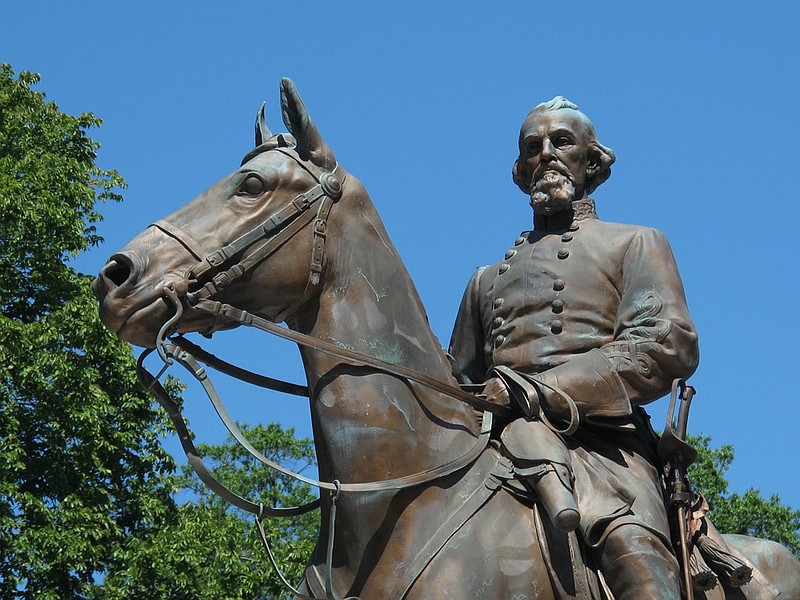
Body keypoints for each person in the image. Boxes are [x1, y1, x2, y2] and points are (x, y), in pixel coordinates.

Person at [449, 96, 699, 599]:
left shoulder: (634, 242)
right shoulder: (484, 280)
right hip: (497, 444)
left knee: (640, 567)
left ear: (591, 160)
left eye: (561, 142)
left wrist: (536, 391)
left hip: (605, 451)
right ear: (520, 170)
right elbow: (457, 382)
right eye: (532, 146)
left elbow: (662, 345)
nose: (546, 153)